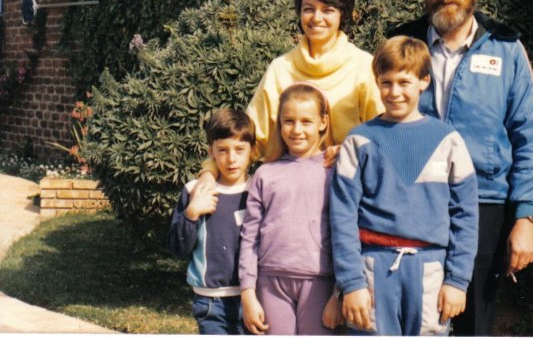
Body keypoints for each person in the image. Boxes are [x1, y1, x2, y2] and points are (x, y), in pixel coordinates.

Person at [387, 0, 533, 336]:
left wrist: (525, 216)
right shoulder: (403, 44)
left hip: (483, 204)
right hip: (415, 202)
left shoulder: (506, 49)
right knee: (412, 315)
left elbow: (531, 135)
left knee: (472, 318)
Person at [330, 36, 479, 335]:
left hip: (430, 270)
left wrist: (457, 282)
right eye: (386, 83)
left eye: (404, 82)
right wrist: (352, 283)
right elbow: (342, 217)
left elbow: (466, 217)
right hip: (372, 268)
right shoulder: (359, 140)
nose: (394, 92)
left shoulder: (447, 141)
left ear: (424, 81)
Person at [197, 0, 383, 181]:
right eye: (309, 9)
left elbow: (384, 138)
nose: (317, 18)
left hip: (347, 188)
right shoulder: (280, 69)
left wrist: (350, 150)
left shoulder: (363, 66)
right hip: (289, 190)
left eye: (328, 9)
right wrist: (209, 172)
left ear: (343, 13)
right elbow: (247, 139)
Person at [238, 83, 343, 335]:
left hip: (320, 282)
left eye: (306, 121)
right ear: (279, 123)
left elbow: (346, 234)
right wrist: (247, 293)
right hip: (270, 282)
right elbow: (249, 236)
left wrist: (339, 293)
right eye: (289, 121)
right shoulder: (265, 174)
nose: (296, 130)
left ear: (323, 122)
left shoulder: (334, 172)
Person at [168, 108, 256, 335]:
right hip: (211, 303)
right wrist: (191, 213)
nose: (231, 159)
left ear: (252, 151)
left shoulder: (259, 190)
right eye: (222, 150)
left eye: (239, 150)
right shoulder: (194, 191)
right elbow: (177, 248)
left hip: (254, 298)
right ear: (211, 152)